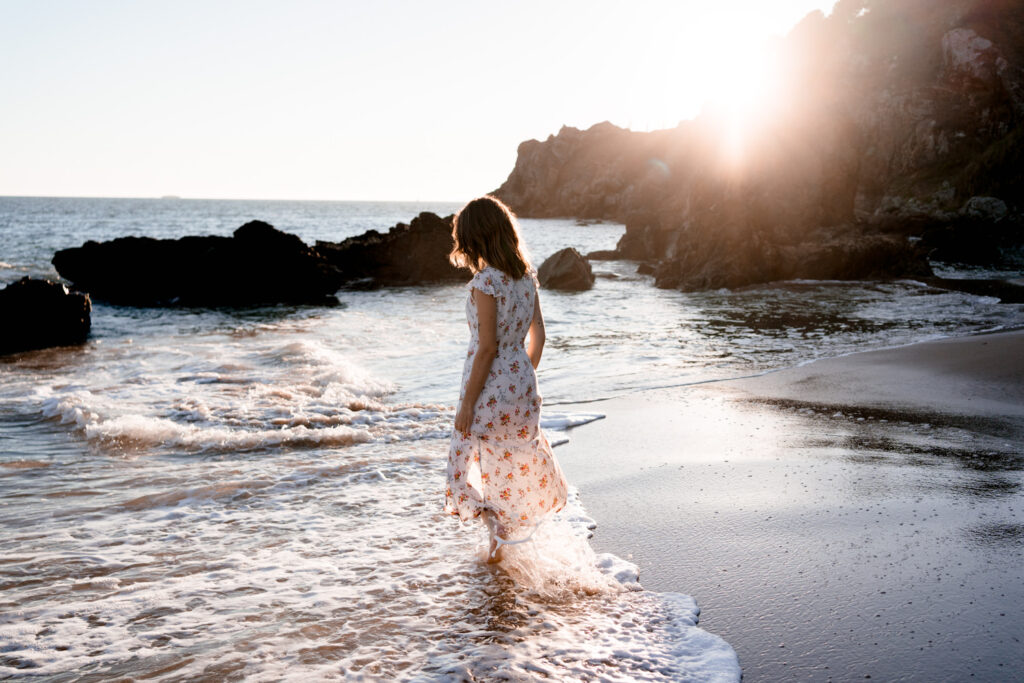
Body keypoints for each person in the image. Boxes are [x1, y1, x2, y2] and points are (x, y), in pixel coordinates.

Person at [445, 195, 569, 563]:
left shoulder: (486, 282)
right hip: (522, 387)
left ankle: (498, 550)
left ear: (475, 237)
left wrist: (468, 403)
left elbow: (485, 348)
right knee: (507, 468)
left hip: (488, 389)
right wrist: (519, 377)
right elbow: (540, 337)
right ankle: (505, 547)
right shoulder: (526, 277)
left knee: (462, 466)